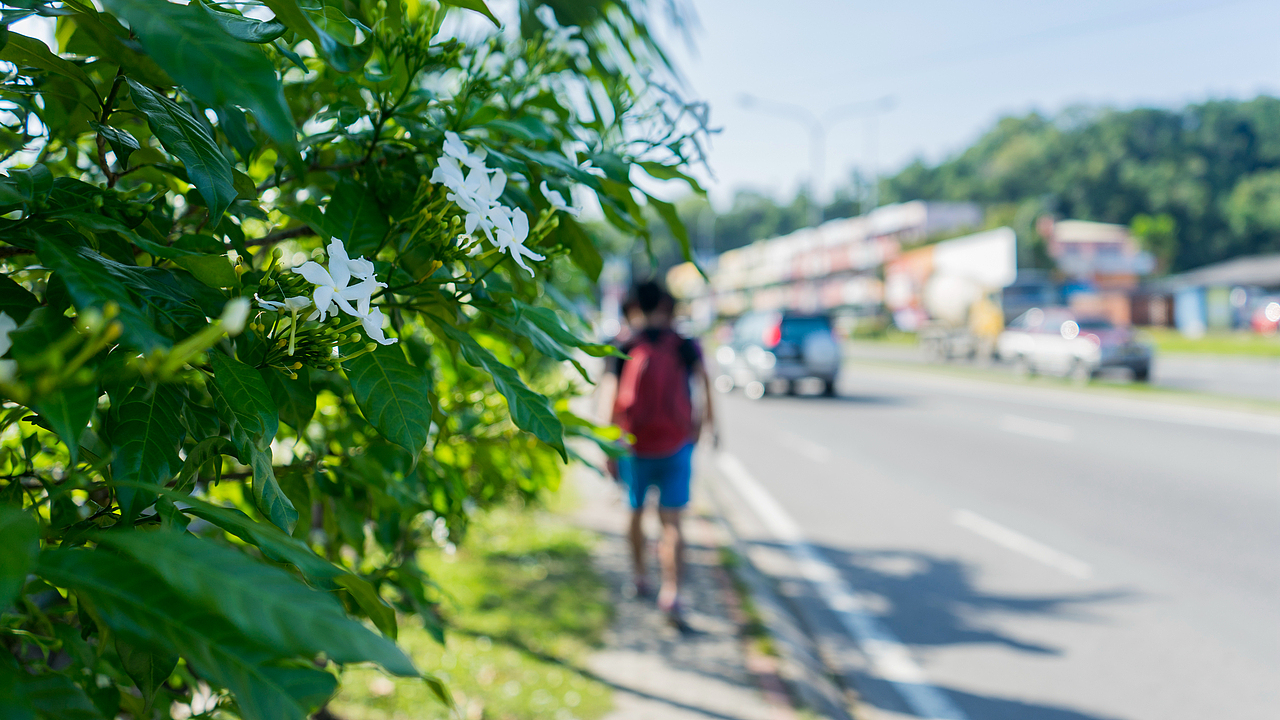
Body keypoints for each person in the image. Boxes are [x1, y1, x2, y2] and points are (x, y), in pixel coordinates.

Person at [597, 281, 717, 622]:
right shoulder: (683, 344)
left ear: (634, 308)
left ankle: (639, 576)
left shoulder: (623, 344)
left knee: (634, 512)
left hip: (634, 446)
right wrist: (707, 424)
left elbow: (609, 394)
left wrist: (606, 443)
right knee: (673, 522)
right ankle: (672, 591)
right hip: (676, 444)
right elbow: (704, 382)